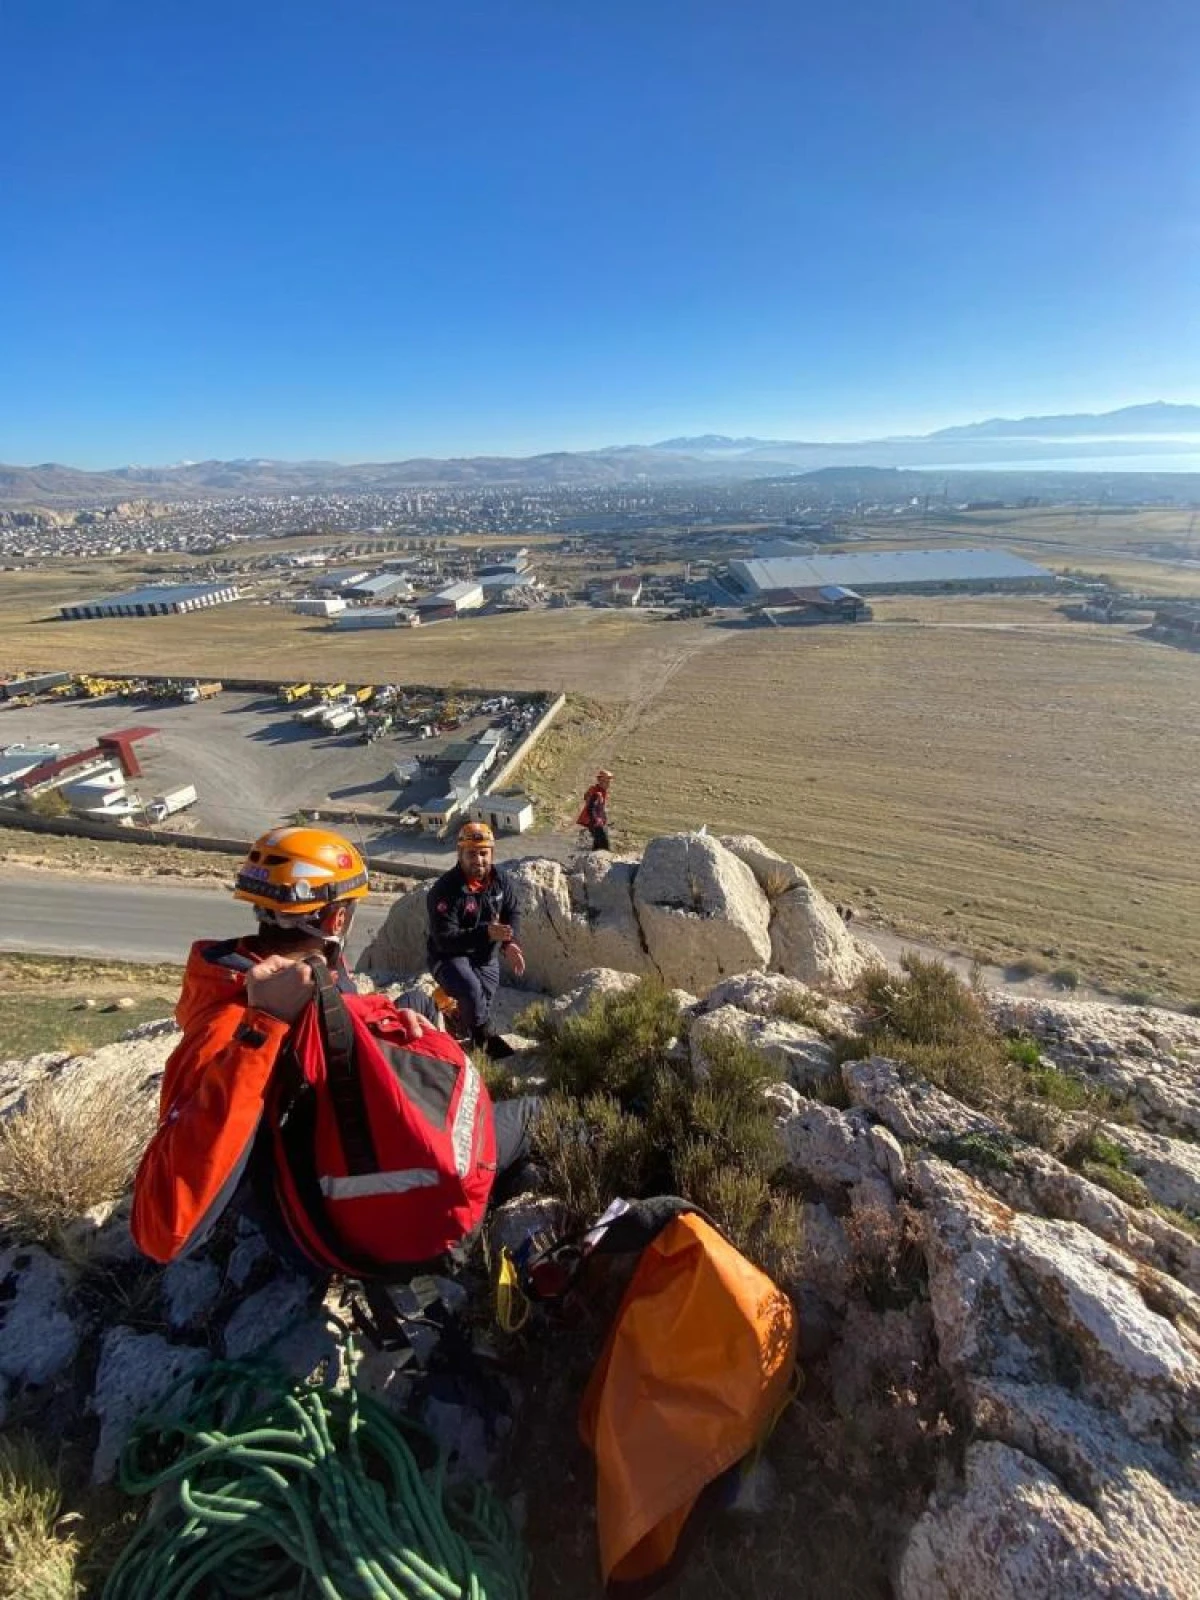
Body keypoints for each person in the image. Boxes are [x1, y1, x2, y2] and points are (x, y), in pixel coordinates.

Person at [131, 823, 539, 1269]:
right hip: (337, 1228)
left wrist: (386, 1017)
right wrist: (262, 1028)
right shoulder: (236, 1029)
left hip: (308, 1200)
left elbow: (336, 1023)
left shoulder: (238, 991)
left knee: (418, 1001)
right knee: (536, 1111)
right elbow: (160, 1229)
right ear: (337, 919)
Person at [427, 821, 526, 1060]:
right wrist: (486, 933)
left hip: (485, 954)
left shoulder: (499, 879)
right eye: (471, 854)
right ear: (460, 855)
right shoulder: (445, 891)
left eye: (484, 853)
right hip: (448, 956)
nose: (478, 860)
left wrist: (510, 942)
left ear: (492, 854)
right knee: (472, 992)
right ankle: (486, 1045)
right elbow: (444, 939)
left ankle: (451, 1013)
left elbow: (512, 911)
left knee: (482, 999)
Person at [577, 768, 613, 851]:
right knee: (603, 844)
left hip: (593, 822)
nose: (609, 784)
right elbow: (591, 808)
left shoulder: (597, 791)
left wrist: (604, 819)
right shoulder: (598, 793)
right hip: (594, 822)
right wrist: (597, 820)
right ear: (601, 781)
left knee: (598, 844)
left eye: (609, 782)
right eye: (607, 781)